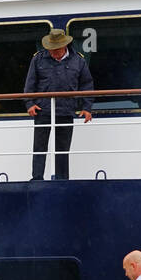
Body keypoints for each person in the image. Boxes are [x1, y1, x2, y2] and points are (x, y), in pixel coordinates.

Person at [24, 28, 93, 180]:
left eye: (56, 49)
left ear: (64, 46)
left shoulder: (78, 61)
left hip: (66, 110)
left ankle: (63, 180)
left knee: (62, 149)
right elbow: (30, 84)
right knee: (39, 148)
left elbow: (87, 85)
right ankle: (37, 179)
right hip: (43, 110)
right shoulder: (38, 59)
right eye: (51, 49)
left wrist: (86, 108)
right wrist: (30, 104)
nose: (53, 52)